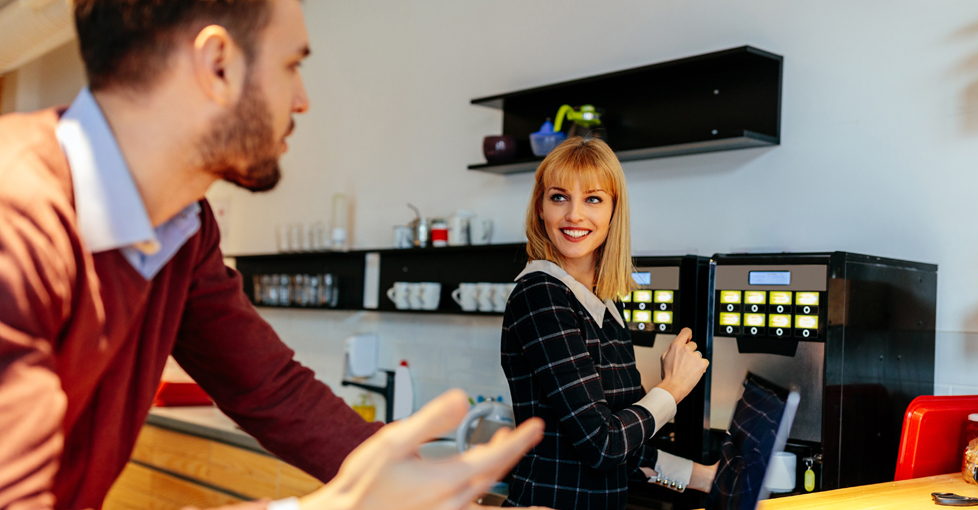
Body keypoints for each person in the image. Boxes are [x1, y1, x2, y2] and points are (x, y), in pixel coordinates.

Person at [0, 1, 544, 509]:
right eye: (291, 65)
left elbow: (269, 388)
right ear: (217, 65)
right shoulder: (16, 217)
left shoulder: (183, 228)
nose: (302, 99)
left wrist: (422, 484)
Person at [500, 137, 716, 509]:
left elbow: (625, 450)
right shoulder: (540, 294)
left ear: (615, 210)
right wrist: (673, 388)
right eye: (559, 197)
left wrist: (708, 478)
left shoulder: (605, 306)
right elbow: (602, 445)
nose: (574, 215)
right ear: (540, 208)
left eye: (593, 199)